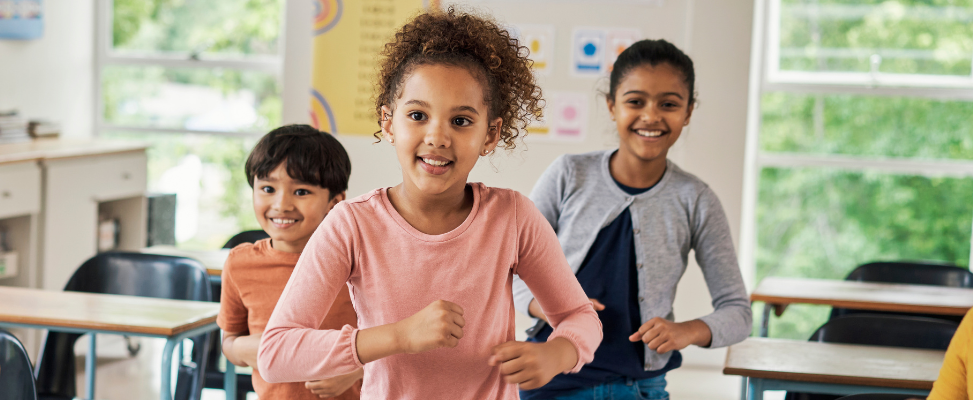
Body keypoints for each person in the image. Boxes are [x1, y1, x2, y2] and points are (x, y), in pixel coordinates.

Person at [258, 8, 603, 399]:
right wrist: (398, 336)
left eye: (461, 121)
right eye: (418, 115)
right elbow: (276, 353)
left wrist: (559, 353)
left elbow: (579, 316)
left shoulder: (513, 217)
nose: (437, 136)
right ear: (388, 123)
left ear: (491, 134)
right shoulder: (350, 225)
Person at [513, 39, 752, 400]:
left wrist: (688, 330)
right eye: (635, 101)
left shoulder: (697, 200)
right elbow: (509, 269)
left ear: (688, 112)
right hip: (551, 379)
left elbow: (739, 313)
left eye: (669, 104)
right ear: (612, 106)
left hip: (640, 388)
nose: (651, 116)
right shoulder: (568, 174)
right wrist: (550, 306)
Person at [218, 124, 362, 399]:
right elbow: (229, 342)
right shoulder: (240, 263)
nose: (281, 204)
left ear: (335, 202)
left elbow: (397, 342)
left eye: (301, 192)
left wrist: (355, 369)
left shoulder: (358, 262)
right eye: (268, 188)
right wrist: (249, 349)